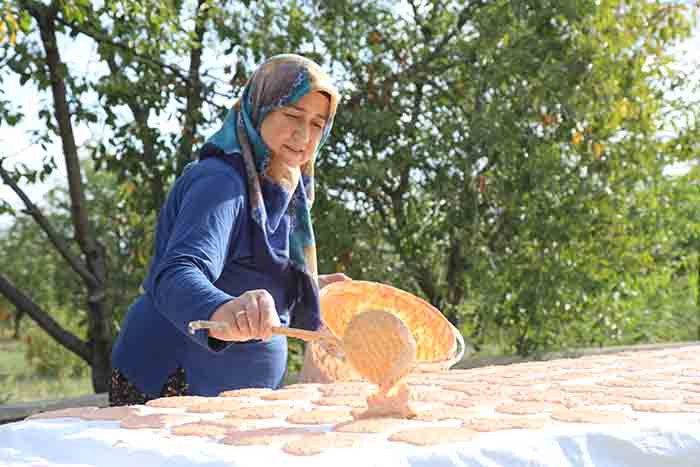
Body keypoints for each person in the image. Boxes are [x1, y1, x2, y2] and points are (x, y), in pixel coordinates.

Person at [109, 54, 350, 406]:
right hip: (173, 388)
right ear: (260, 108)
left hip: (233, 399)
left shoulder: (281, 187)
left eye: (317, 124)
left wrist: (307, 288)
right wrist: (221, 308)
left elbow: (249, 270)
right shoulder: (221, 181)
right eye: (293, 116)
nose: (304, 135)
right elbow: (176, 273)